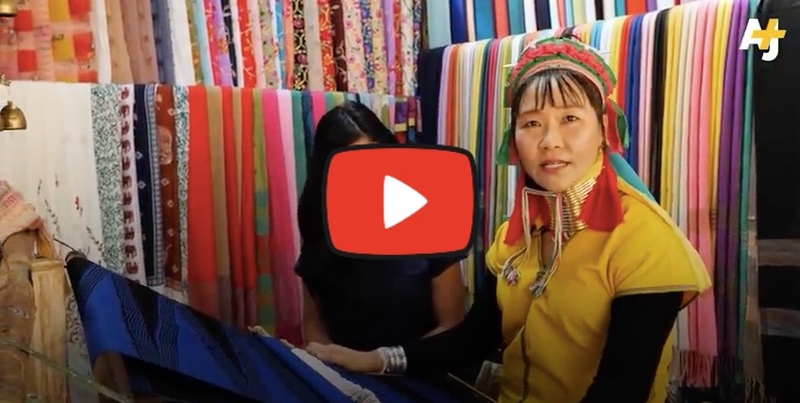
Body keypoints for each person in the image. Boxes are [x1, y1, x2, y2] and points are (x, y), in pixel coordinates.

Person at [305, 37, 712, 403]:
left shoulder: (645, 242)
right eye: (532, 123)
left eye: (570, 119)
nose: (550, 140)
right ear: (513, 140)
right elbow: (472, 338)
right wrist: (371, 360)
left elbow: (622, 390)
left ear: (604, 128)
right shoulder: (515, 237)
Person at [295, 101, 466, 352]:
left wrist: (382, 364)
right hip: (342, 373)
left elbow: (451, 325)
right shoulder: (320, 229)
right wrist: (332, 363)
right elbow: (314, 326)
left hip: (423, 370)